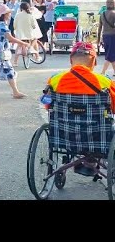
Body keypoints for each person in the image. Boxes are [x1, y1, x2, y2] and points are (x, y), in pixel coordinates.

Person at [46, 41, 115, 175]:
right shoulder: (105, 82)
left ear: (70, 59)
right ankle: (93, 160)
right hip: (97, 136)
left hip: (64, 134)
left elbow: (48, 105)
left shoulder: (55, 80)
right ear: (94, 61)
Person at [0, 3, 28, 97]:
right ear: (4, 14)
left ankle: (15, 92)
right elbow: (10, 38)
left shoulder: (2, 24)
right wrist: (22, 43)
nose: (9, 14)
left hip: (0, 52)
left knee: (7, 71)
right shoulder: (2, 25)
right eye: (8, 12)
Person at [99, 0, 115, 76]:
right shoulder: (114, 14)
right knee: (110, 55)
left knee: (111, 54)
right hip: (112, 36)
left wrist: (98, 39)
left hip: (105, 36)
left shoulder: (102, 14)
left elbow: (99, 28)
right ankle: (103, 72)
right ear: (113, 5)